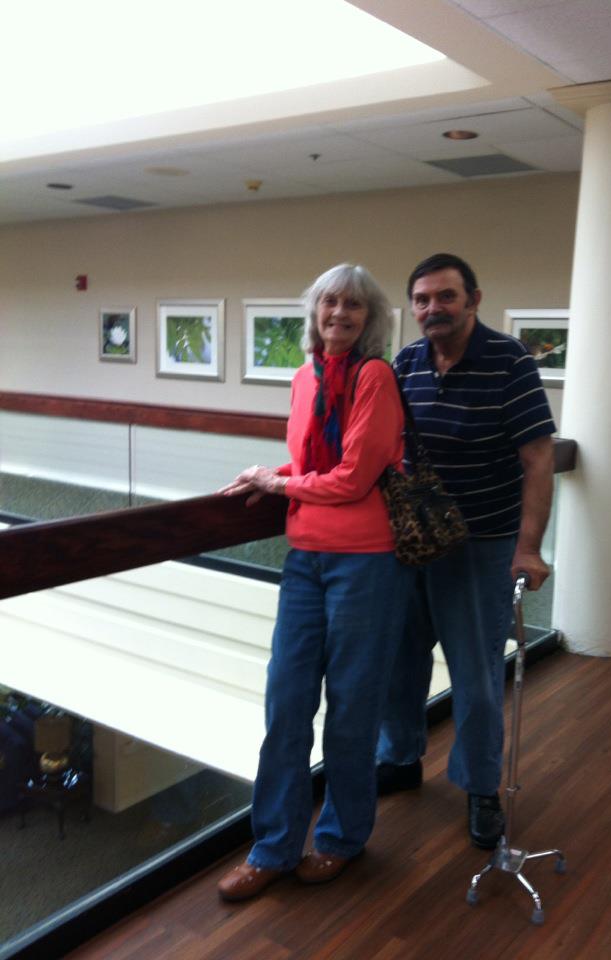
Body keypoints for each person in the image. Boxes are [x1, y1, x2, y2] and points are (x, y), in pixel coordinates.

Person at [216, 264, 410, 901]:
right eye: (330, 302)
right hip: (304, 560)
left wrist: (281, 485)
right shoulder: (304, 378)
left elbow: (354, 477)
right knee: (286, 705)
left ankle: (341, 839)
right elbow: (310, 463)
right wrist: (268, 476)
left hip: (366, 561)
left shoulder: (375, 376)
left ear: (370, 319)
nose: (340, 314)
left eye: (354, 305)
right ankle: (272, 849)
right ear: (315, 312)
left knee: (351, 708)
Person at [376, 252, 555, 850]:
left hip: (483, 545)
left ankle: (481, 788)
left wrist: (528, 549)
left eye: (446, 296)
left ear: (473, 300)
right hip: (414, 542)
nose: (434, 308)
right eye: (422, 299)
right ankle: (400, 758)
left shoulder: (510, 361)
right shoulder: (405, 362)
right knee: (399, 661)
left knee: (476, 675)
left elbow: (538, 460)